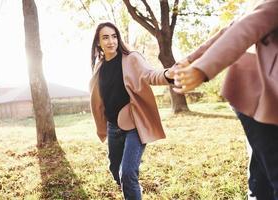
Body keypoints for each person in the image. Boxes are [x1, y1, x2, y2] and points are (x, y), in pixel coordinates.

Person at [173, 0, 278, 199]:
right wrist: (200, 66)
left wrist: (191, 60)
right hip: (257, 95)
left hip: (261, 99)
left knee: (262, 168)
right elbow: (242, 29)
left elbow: (233, 28)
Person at [89, 22, 175, 200]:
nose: (111, 41)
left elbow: (150, 75)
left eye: (114, 36)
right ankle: (131, 188)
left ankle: (131, 186)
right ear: (98, 43)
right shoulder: (99, 67)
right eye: (105, 37)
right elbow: (97, 99)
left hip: (135, 124)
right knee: (115, 170)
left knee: (127, 173)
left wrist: (168, 75)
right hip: (114, 127)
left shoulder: (131, 58)